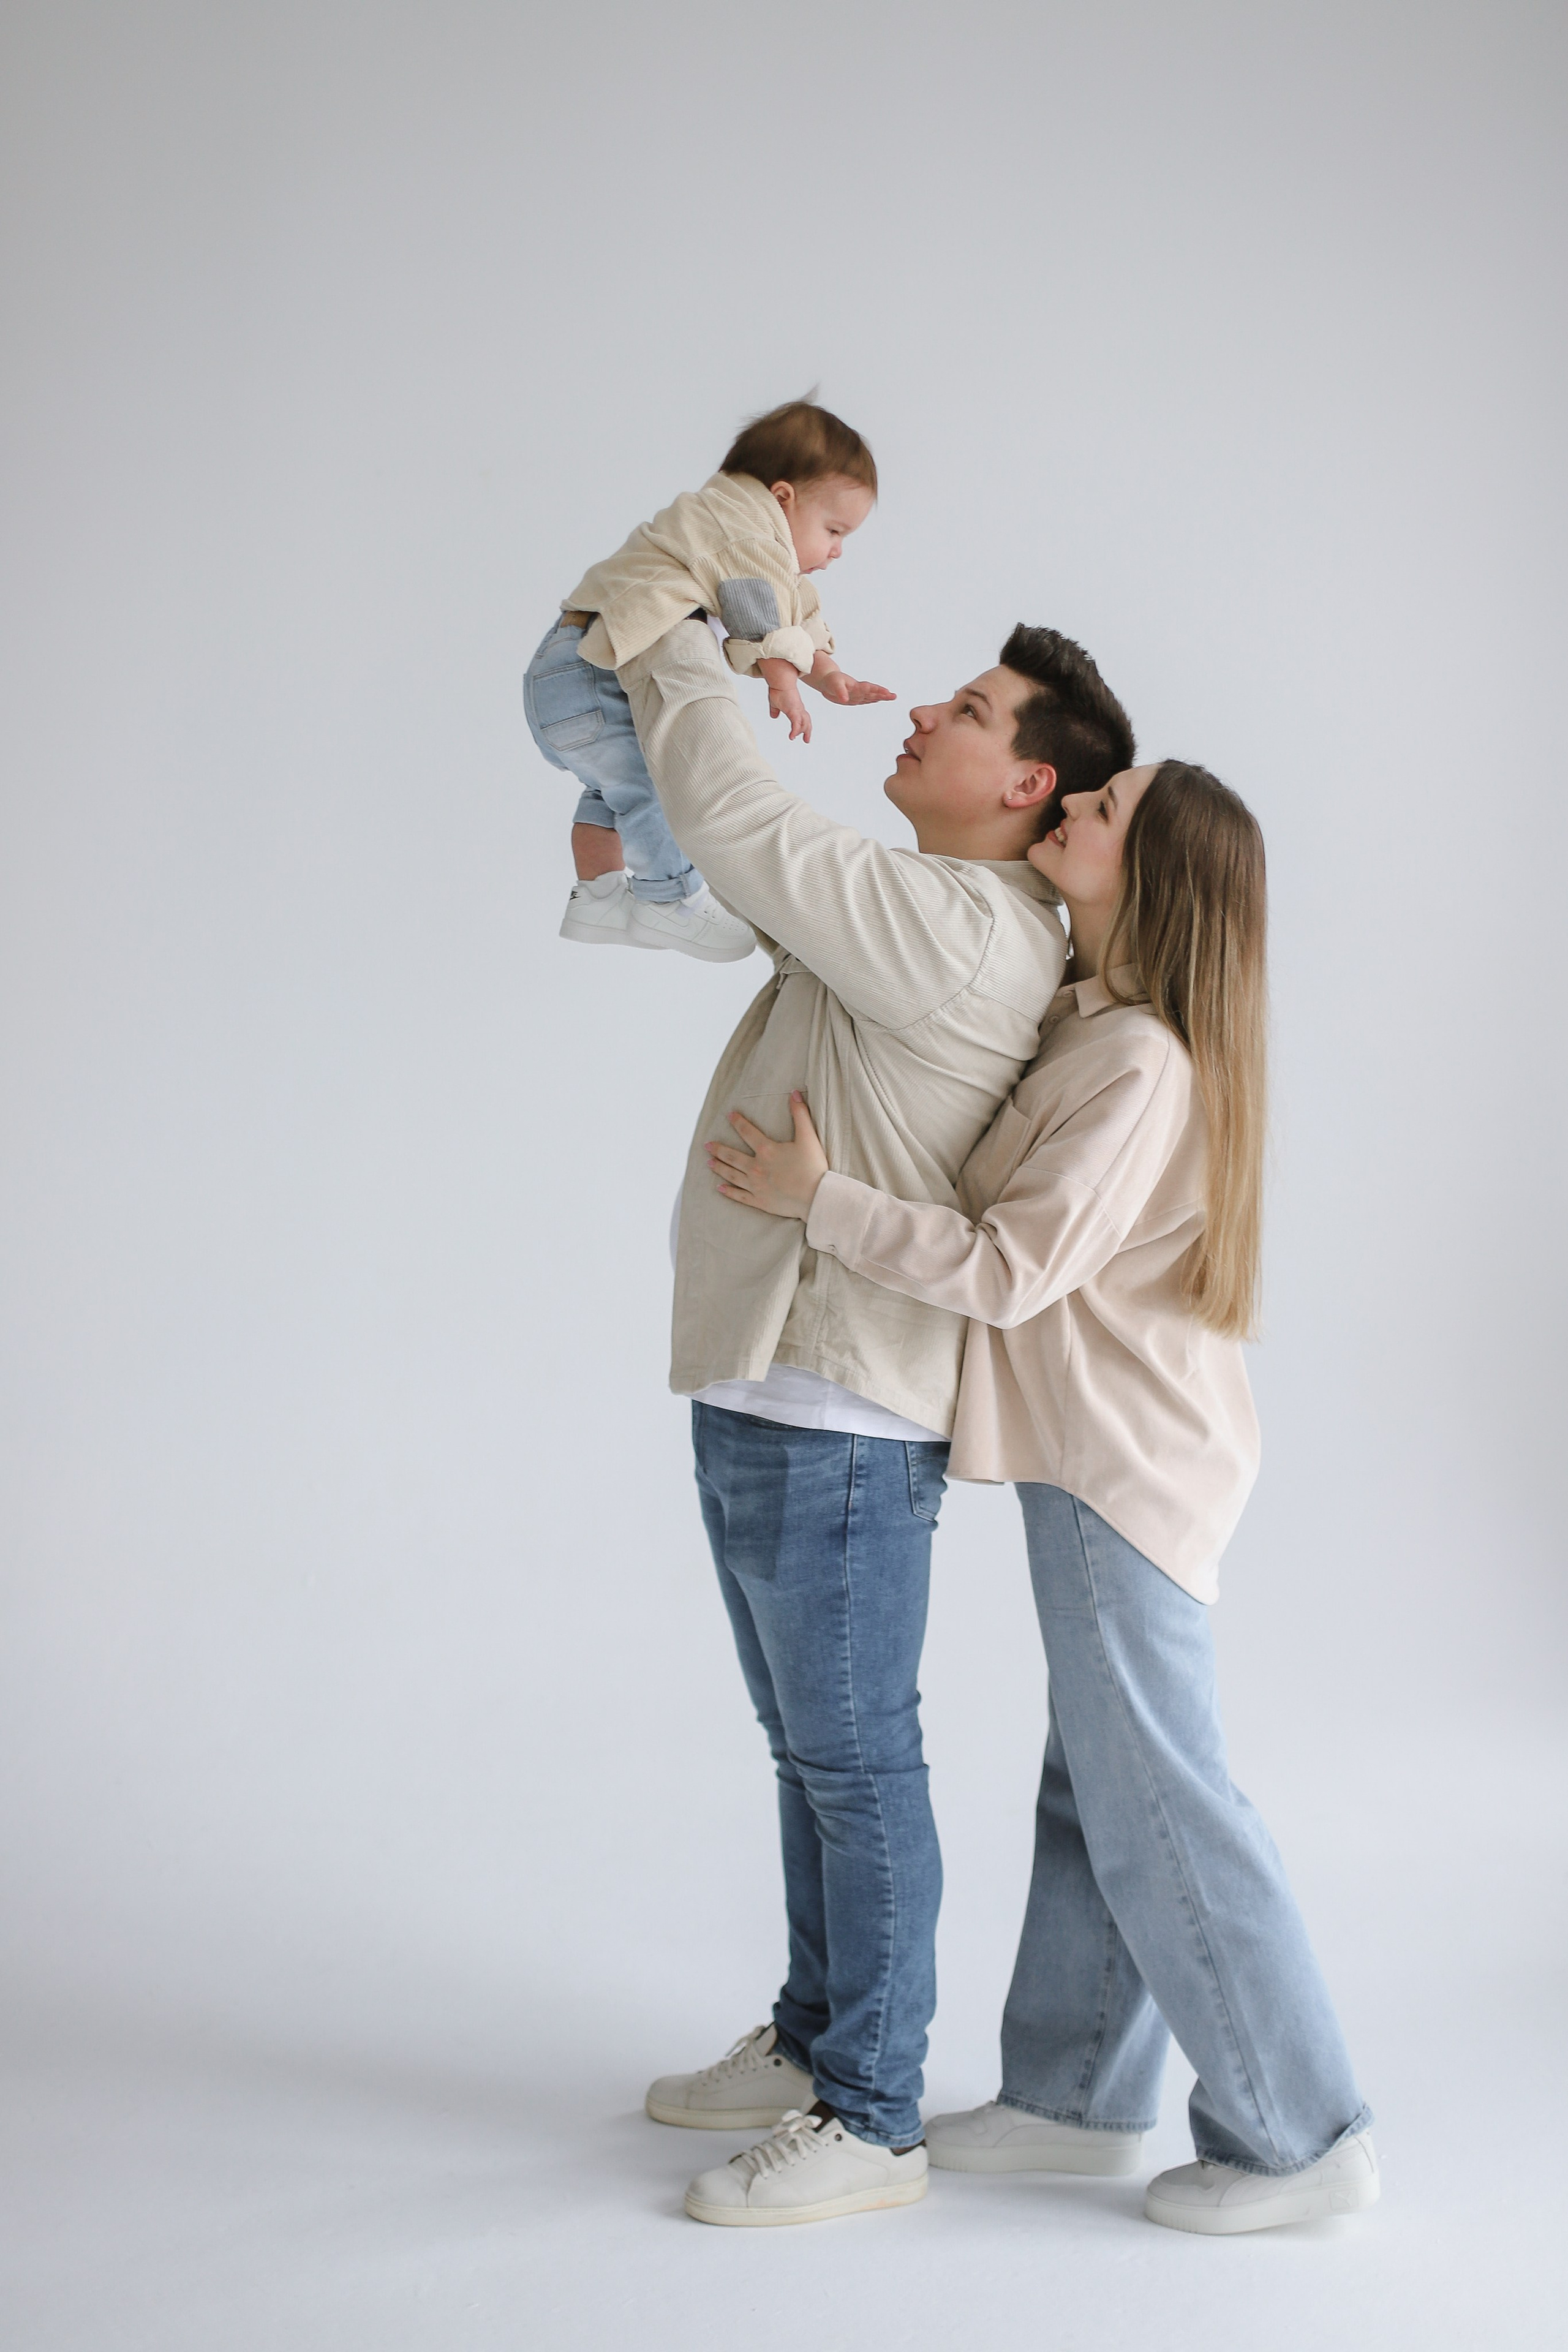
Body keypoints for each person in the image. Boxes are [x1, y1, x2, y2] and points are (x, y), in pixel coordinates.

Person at [706, 758, 1379, 2236]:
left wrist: (820, 1201)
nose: (1072, 807)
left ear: (1158, 874)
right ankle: (1072, 2093)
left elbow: (1008, 1266)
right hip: (1101, 1457)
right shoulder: (1094, 1025)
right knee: (1094, 1790)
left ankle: (1297, 2133)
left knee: (1158, 1804)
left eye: (1106, 810)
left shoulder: (1136, 1058)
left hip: (1119, 1466)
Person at [620, 612, 1137, 2226]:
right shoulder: (928, 913)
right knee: (811, 1752)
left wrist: (662, 645)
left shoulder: (967, 925)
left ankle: (871, 2114)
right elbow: (722, 881)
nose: (923, 712)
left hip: (839, 1415)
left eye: (969, 711)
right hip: (775, 1384)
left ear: (1028, 778)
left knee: (853, 1761)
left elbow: (742, 824)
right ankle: (814, 2036)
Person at [522, 398, 894, 963]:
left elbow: (792, 612)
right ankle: (666, 899)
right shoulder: (743, 528)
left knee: (614, 791)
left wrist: (830, 675)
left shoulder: (725, 529)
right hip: (589, 676)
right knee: (650, 788)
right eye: (834, 529)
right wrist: (782, 682)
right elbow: (756, 607)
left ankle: (596, 897)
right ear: (783, 497)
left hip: (566, 678)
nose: (837, 551)